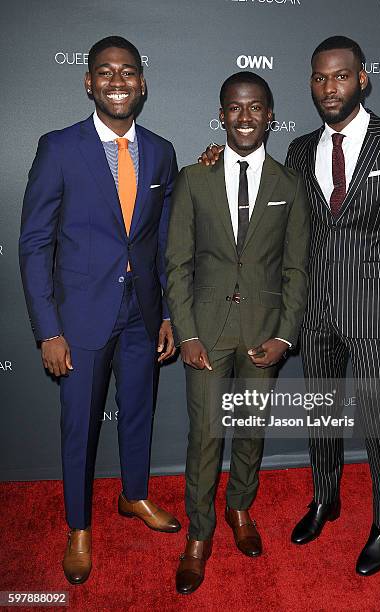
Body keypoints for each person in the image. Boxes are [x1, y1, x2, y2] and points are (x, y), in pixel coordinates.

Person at [199, 36, 380, 576]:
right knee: (323, 418)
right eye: (319, 78)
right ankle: (325, 500)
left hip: (378, 315)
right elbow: (272, 210)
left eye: (340, 76)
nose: (329, 87)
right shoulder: (301, 150)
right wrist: (215, 161)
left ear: (363, 78)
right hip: (314, 314)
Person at [19, 36, 180, 585]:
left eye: (128, 71)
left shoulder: (161, 151)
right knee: (79, 428)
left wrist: (166, 315)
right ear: (88, 82)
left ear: (142, 82)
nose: (118, 80)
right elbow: (35, 243)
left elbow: (160, 243)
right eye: (106, 72)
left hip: (142, 313)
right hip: (81, 318)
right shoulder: (59, 148)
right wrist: (48, 330)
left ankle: (134, 495)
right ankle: (78, 527)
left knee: (139, 412)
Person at [166, 72, 310, 594]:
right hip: (206, 333)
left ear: (270, 116)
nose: (244, 117)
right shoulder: (193, 178)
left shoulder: (289, 185)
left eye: (255, 108)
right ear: (221, 115)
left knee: (250, 432)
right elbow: (177, 264)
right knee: (205, 436)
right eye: (234, 108)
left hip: (263, 334)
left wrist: (286, 335)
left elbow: (296, 269)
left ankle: (240, 509)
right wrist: (186, 334)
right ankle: (199, 535)